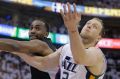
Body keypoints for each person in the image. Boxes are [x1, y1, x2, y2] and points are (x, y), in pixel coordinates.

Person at [0, 3, 106, 79]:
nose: (89, 26)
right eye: (88, 23)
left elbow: (79, 58)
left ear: (98, 37)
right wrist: (13, 50)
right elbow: (42, 63)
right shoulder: (66, 48)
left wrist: (72, 29)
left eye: (95, 27)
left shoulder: (97, 54)